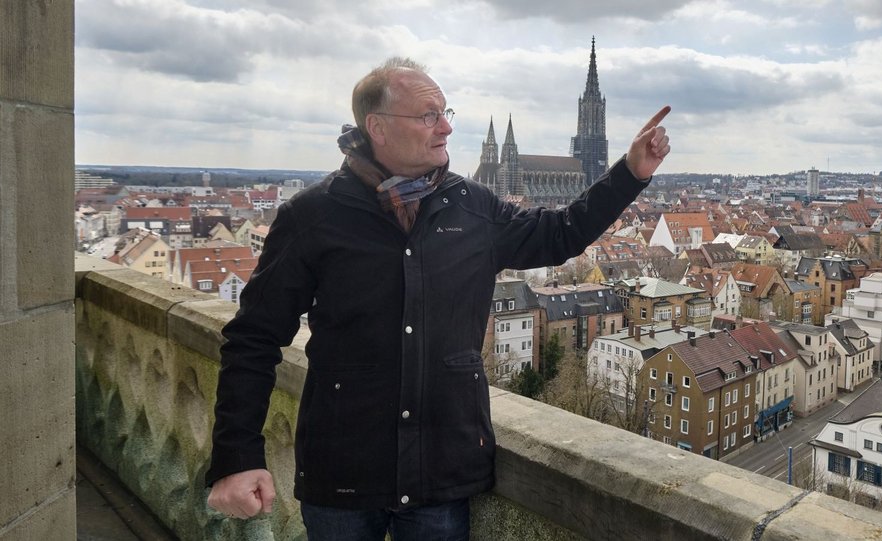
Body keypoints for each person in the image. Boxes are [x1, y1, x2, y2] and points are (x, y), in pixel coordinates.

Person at [205, 56, 671, 540]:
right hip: (342, 472)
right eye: (429, 115)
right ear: (378, 127)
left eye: (447, 112)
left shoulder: (472, 205)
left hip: (441, 474)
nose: (446, 127)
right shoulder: (313, 217)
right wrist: (235, 457)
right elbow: (253, 339)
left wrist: (631, 172)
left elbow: (560, 234)